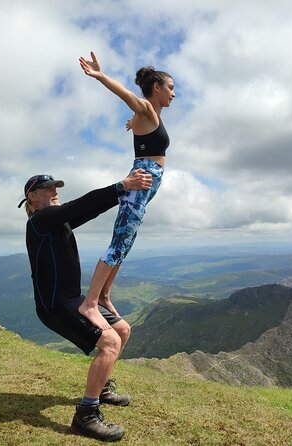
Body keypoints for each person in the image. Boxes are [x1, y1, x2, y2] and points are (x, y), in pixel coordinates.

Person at [18, 169, 152, 442]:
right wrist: (121, 186)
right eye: (48, 188)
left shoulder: (55, 222)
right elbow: (80, 205)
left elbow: (88, 211)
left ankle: (100, 388)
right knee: (110, 343)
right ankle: (86, 416)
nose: (55, 191)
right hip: (55, 306)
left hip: (74, 300)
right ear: (31, 197)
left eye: (56, 187)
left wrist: (123, 194)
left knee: (122, 330)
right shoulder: (40, 221)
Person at [78, 51, 175, 331]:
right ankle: (90, 303)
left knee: (126, 244)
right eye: (170, 88)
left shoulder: (147, 115)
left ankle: (105, 296)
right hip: (138, 186)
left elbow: (143, 129)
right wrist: (100, 76)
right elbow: (125, 96)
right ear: (156, 88)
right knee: (118, 242)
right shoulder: (145, 107)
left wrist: (135, 124)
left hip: (144, 192)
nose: (173, 93)